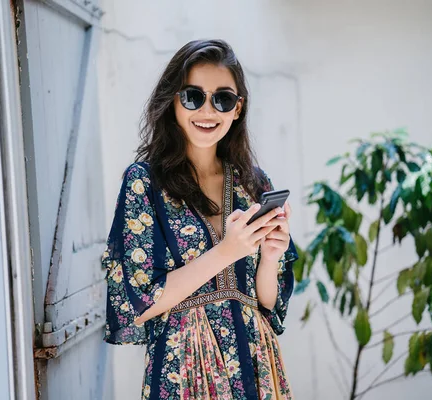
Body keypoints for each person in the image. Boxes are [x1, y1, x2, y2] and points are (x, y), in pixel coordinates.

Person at [102, 39, 298, 399]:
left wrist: (270, 256)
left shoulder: (253, 183)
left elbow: (267, 304)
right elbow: (140, 303)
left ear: (238, 109)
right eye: (193, 96)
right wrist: (226, 252)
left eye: (222, 98)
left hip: (256, 363)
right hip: (184, 368)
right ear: (173, 102)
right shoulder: (144, 182)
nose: (208, 111)